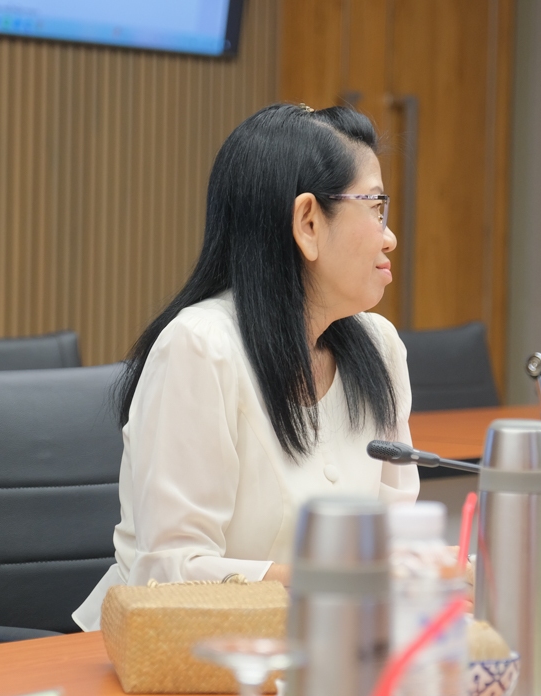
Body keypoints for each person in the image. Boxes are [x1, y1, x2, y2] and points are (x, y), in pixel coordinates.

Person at [73, 104, 419, 630]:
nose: (388, 236)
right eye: (375, 208)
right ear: (308, 223)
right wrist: (341, 584)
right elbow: (170, 574)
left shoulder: (381, 346)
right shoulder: (200, 348)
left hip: (326, 647)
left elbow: (396, 541)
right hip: (174, 655)